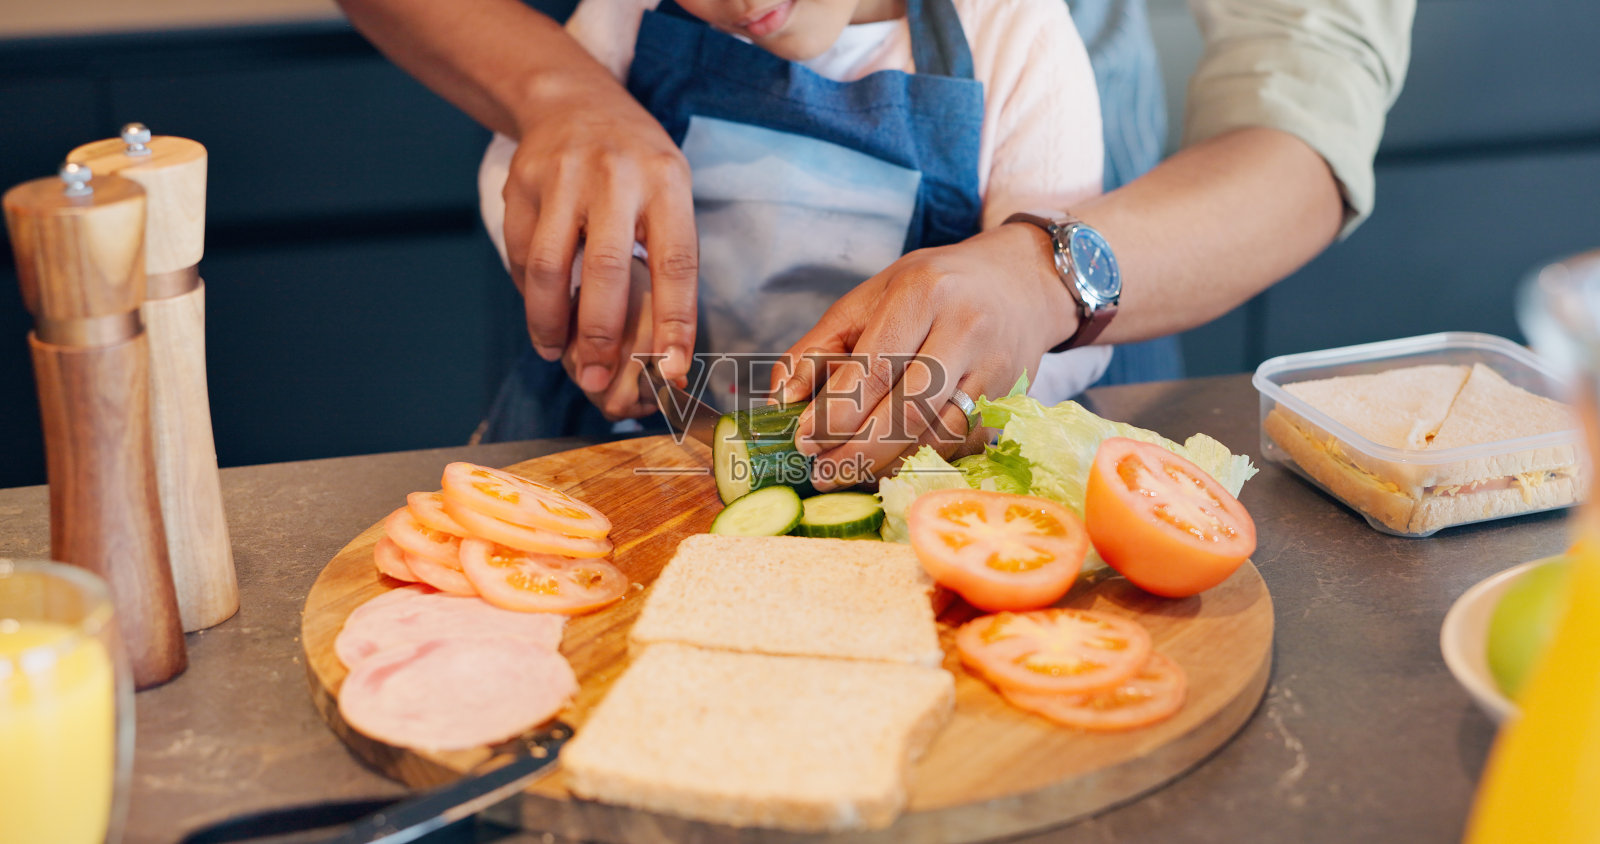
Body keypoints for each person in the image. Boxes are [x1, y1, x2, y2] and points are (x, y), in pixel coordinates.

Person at [337, 0, 1415, 485]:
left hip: (919, 469)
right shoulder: (623, 17)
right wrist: (582, 275)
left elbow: (1308, 99)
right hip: (641, 454)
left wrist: (1029, 292)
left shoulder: (1012, 37)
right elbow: (518, 175)